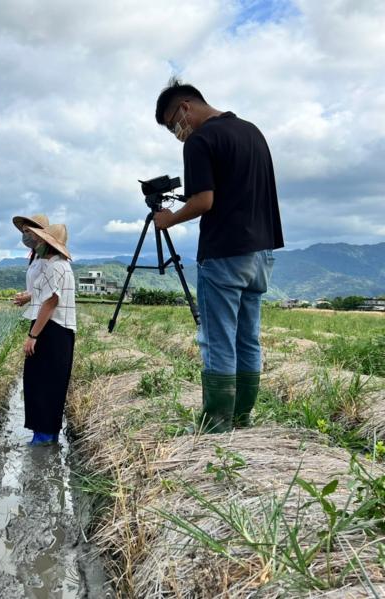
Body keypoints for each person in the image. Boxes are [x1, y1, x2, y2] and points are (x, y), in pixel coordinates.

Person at [153, 78, 284, 433]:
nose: (177, 133)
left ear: (185, 107)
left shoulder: (201, 140)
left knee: (218, 338)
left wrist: (168, 219)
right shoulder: (252, 132)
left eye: (173, 124)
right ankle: (242, 417)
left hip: (224, 252)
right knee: (247, 338)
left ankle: (216, 423)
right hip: (260, 252)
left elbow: (203, 200)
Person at [22, 223, 77, 446]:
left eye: (40, 240)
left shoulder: (55, 267)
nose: (36, 243)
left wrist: (33, 335)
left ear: (48, 243)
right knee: (52, 383)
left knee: (41, 384)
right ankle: (48, 437)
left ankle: (42, 439)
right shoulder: (61, 265)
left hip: (51, 331)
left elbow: (50, 302)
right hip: (59, 332)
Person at [11, 213, 50, 308]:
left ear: (38, 232)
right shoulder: (36, 256)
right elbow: (36, 287)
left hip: (45, 311)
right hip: (36, 310)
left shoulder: (48, 257)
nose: (24, 235)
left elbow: (51, 289)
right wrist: (25, 294)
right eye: (23, 232)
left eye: (27, 231)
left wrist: (29, 297)